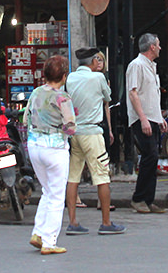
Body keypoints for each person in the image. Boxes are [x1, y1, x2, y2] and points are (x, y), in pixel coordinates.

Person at [64, 47, 124, 236]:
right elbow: (108, 97)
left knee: (73, 177)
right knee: (101, 176)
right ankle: (106, 222)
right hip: (92, 131)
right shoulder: (98, 78)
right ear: (92, 62)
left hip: (75, 131)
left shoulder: (71, 78)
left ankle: (72, 221)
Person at [25, 54, 76, 255]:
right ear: (64, 76)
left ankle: (38, 232)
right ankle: (49, 241)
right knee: (56, 196)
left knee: (47, 190)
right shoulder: (63, 97)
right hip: (55, 149)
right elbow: (71, 127)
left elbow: (27, 116)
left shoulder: (36, 92)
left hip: (34, 145)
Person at [126, 33, 167, 214]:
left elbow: (151, 95)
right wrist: (143, 118)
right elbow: (133, 93)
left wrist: (159, 118)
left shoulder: (150, 66)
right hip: (142, 118)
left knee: (153, 158)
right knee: (149, 156)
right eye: (158, 45)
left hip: (152, 117)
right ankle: (139, 198)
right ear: (152, 47)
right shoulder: (136, 65)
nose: (160, 48)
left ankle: (148, 199)